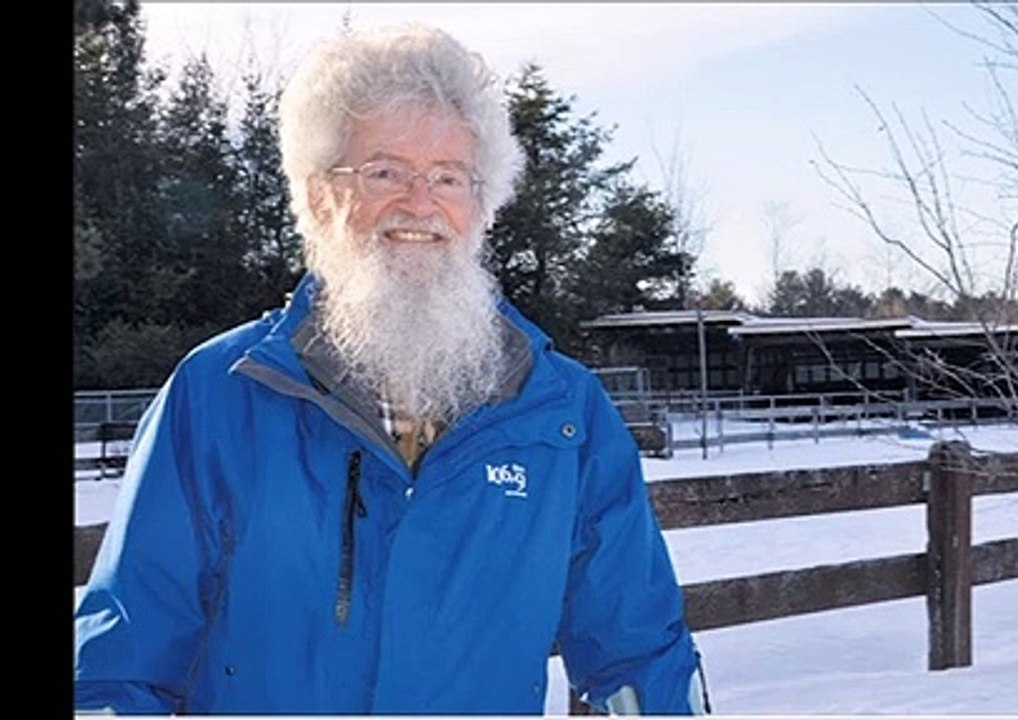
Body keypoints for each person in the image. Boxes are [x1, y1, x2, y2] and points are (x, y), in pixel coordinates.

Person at [74, 23, 709, 716]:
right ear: (319, 197)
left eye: (448, 177)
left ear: (482, 206)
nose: (419, 203)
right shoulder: (220, 395)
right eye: (383, 171)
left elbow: (639, 651)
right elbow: (123, 665)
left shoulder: (563, 415)